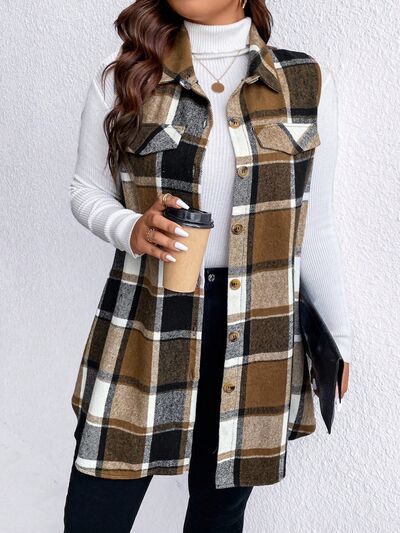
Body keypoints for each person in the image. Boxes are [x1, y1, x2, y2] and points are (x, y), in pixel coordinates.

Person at [64, 0, 352, 531]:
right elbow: (86, 191)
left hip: (259, 326)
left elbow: (315, 227)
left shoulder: (305, 81)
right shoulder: (126, 74)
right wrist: (130, 227)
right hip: (149, 319)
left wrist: (340, 340)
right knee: (96, 508)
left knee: (219, 514)